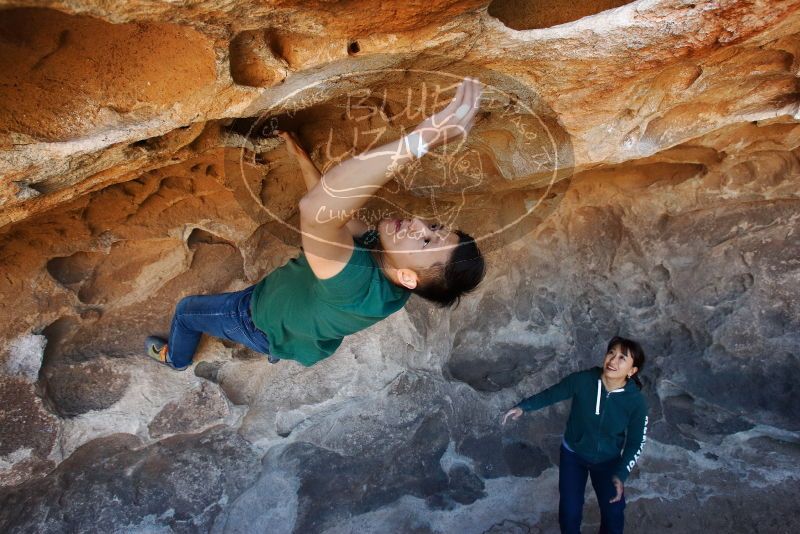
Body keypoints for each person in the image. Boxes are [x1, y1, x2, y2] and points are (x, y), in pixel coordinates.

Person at [146, 77, 486, 370]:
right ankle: (282, 345)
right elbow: (336, 215)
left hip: (252, 318)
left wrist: (420, 139)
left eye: (425, 243)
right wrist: (303, 160)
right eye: (435, 228)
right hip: (301, 328)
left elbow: (316, 209)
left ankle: (175, 359)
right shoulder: (394, 276)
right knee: (293, 315)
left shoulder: (352, 280)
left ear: (409, 277)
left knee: (187, 311)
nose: (418, 225)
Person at [502, 336, 648, 534]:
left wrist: (621, 474)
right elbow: (552, 393)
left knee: (614, 514)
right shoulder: (583, 380)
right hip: (574, 455)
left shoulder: (636, 402)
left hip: (608, 461)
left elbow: (635, 442)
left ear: (632, 371)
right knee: (569, 514)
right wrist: (524, 407)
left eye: (622, 358)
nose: (613, 360)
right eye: (611, 353)